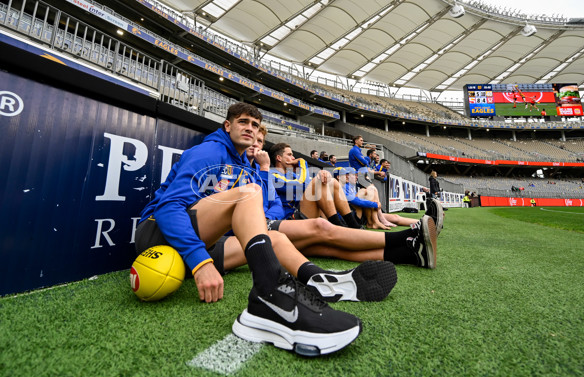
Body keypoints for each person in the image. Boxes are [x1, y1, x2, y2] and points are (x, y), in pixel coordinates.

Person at [134, 102, 362, 356]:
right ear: (227, 126)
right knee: (249, 195)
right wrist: (200, 262)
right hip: (158, 236)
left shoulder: (245, 163)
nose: (250, 129)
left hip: (201, 242)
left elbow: (262, 207)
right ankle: (268, 297)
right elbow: (169, 208)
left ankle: (318, 280)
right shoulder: (210, 151)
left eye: (255, 125)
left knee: (274, 238)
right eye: (243, 122)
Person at [211, 127, 441, 275]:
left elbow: (273, 204)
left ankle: (410, 252)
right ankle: (400, 235)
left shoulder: (255, 170)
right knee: (325, 201)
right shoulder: (258, 170)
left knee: (328, 242)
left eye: (260, 141)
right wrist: (270, 170)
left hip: (276, 222)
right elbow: (290, 191)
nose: (255, 144)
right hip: (267, 226)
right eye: (251, 139)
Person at [269, 142, 363, 229]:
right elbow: (301, 185)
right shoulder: (272, 174)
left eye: (292, 155)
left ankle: (353, 226)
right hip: (287, 221)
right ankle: (338, 229)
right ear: (279, 158)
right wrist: (302, 163)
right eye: (289, 155)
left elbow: (314, 186)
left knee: (331, 181)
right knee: (318, 182)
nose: (293, 158)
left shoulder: (293, 175)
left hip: (300, 214)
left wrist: (323, 173)